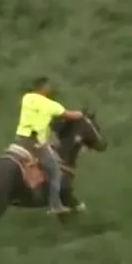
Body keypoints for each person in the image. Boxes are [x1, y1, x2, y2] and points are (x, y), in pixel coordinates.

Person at [14, 76, 85, 214]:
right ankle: (55, 205)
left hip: (20, 139)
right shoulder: (50, 105)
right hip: (36, 143)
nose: (50, 88)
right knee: (55, 171)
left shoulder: (27, 98)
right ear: (44, 87)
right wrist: (81, 114)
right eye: (48, 86)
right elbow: (70, 115)